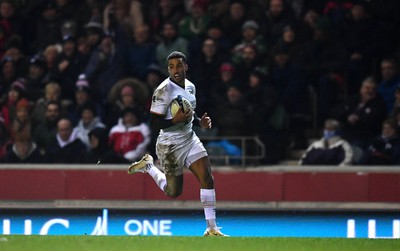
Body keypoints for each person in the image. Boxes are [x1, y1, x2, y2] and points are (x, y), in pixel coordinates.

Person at [127, 51, 227, 236]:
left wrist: (200, 122)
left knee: (207, 177)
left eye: (179, 65)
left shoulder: (190, 87)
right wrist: (175, 120)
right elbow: (154, 123)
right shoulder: (163, 91)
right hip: (169, 144)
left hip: (189, 139)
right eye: (171, 67)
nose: (176, 70)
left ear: (185, 67)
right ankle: (149, 166)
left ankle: (212, 228)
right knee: (173, 192)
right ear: (168, 69)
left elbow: (190, 113)